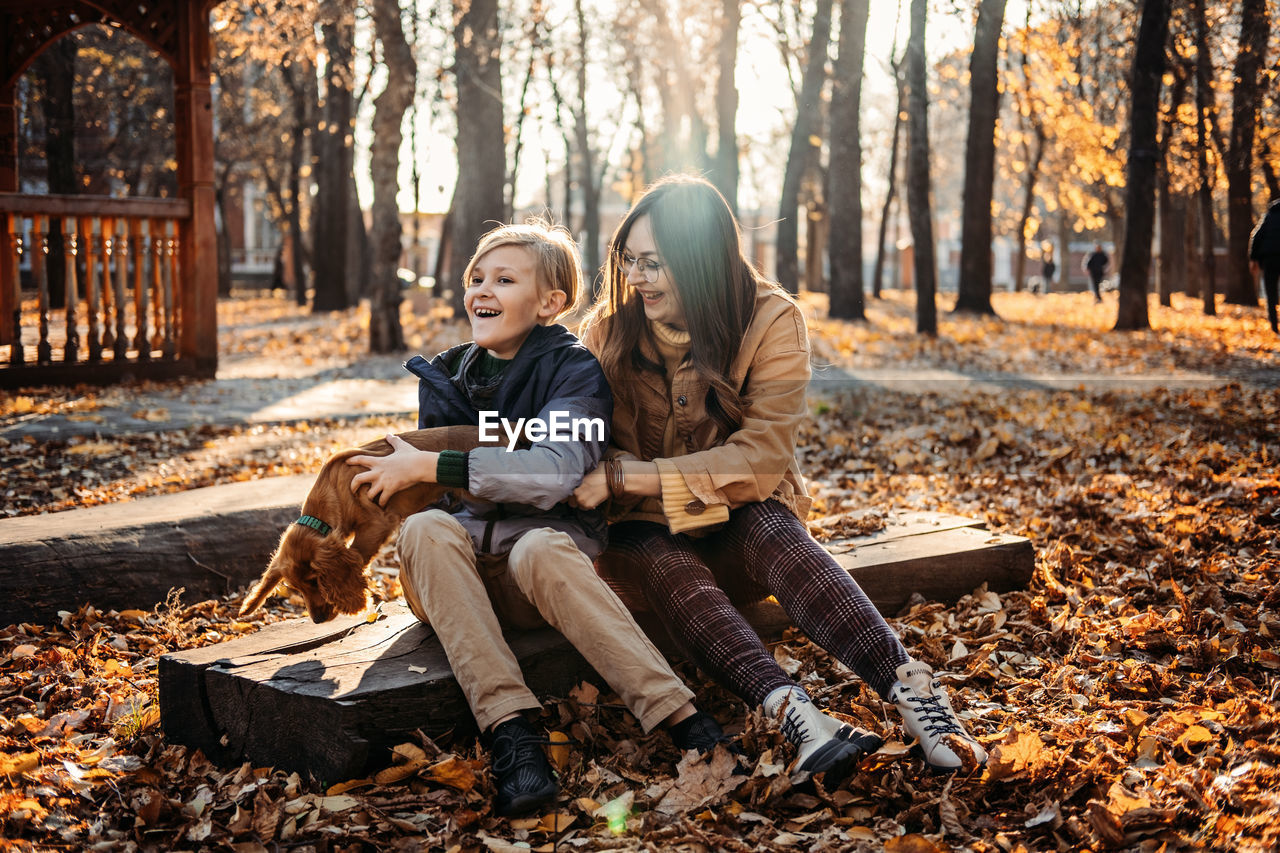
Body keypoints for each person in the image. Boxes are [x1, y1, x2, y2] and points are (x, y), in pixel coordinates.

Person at [572, 175, 988, 784]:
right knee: (653, 549)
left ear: (700, 259)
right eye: (628, 259)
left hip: (737, 526)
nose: (636, 276)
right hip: (642, 543)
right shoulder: (607, 334)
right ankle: (793, 714)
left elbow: (762, 458)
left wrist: (636, 476)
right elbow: (576, 446)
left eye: (655, 262)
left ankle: (912, 692)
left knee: (770, 523)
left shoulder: (769, 319)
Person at [348, 222, 728, 817]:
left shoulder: (574, 372)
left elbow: (556, 472)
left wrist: (437, 465)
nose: (482, 290)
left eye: (504, 279)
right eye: (476, 278)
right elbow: (440, 498)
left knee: (542, 547)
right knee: (424, 529)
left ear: (551, 302)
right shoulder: (446, 374)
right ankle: (512, 733)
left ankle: (679, 716)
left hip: (535, 577)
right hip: (454, 577)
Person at [1248, 197, 1280, 334]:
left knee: (1270, 292)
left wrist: (1253, 258)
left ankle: (1274, 325)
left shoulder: (1269, 216)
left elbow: (1256, 236)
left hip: (1269, 259)